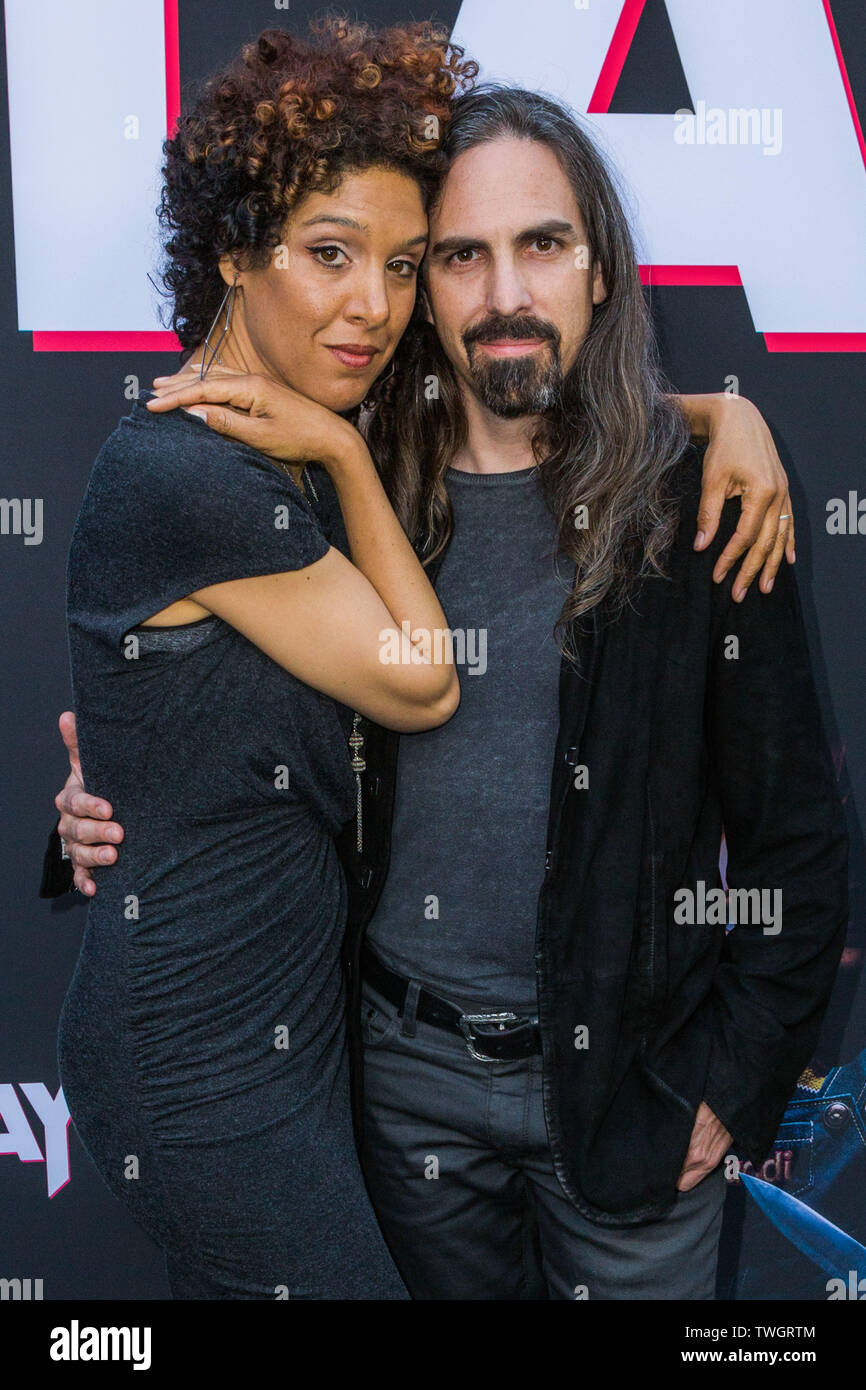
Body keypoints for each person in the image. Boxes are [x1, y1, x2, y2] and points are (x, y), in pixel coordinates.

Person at [47, 87, 844, 1300]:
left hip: (632, 1095)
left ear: (597, 270)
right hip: (388, 1088)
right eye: (459, 258)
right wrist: (98, 814)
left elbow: (796, 838)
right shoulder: (336, 492)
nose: (503, 293)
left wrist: (734, 1088)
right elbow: (207, 726)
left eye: (541, 245)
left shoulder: (704, 504)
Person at [50, 17, 478, 1300]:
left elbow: (547, 411)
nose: (376, 308)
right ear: (236, 251)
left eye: (403, 268)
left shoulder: (272, 437)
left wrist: (721, 414)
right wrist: (345, 457)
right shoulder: (198, 468)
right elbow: (424, 677)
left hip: (271, 1034)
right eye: (329, 255)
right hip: (196, 1053)